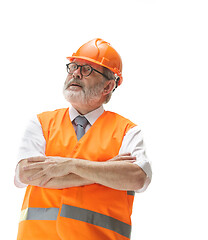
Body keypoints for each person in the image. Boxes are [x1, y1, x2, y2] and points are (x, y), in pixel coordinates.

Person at [14, 38, 152, 240]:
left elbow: (137, 178)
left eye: (87, 69)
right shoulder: (41, 124)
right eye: (73, 67)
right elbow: (26, 174)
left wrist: (69, 165)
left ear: (108, 86)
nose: (75, 73)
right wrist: (104, 171)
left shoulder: (127, 131)